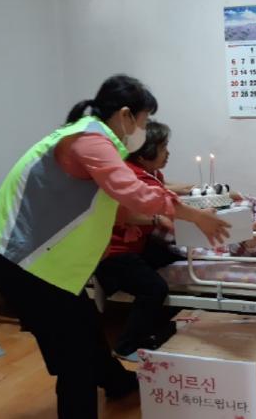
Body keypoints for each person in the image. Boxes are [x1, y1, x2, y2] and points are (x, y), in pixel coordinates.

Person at [0, 75, 230, 419]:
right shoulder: (89, 140)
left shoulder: (91, 140)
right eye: (145, 121)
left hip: (48, 266)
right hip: (24, 262)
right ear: (125, 115)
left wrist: (159, 218)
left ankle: (118, 384)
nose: (144, 131)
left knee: (86, 327)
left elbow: (115, 206)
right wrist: (194, 216)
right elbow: (134, 192)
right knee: (75, 357)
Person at [94, 120, 192, 362]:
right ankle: (126, 346)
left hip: (138, 245)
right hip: (115, 253)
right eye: (163, 147)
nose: (168, 153)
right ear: (144, 153)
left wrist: (195, 189)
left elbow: (163, 187)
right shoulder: (128, 177)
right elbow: (123, 212)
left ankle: (157, 323)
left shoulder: (151, 173)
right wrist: (159, 218)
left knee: (173, 254)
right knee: (155, 288)